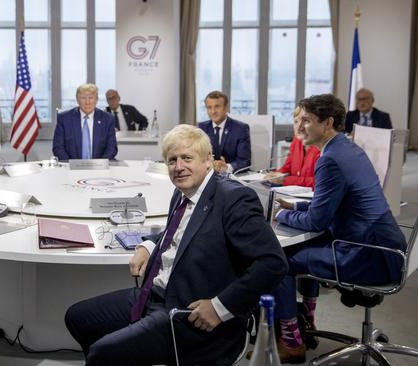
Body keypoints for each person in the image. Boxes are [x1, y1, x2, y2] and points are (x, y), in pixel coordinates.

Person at [64, 124, 288, 366]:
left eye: (187, 158)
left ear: (208, 160)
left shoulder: (233, 198)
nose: (179, 167)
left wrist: (220, 307)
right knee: (77, 318)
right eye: (172, 160)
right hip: (154, 295)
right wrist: (148, 245)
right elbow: (181, 231)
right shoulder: (184, 192)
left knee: (102, 354)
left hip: (187, 312)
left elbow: (273, 263)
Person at [273, 94, 407, 364]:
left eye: (307, 121)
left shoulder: (330, 159)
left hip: (368, 254)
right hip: (389, 247)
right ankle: (306, 319)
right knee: (303, 247)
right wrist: (296, 207)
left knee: (279, 260)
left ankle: (291, 341)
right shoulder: (347, 148)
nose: (299, 127)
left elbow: (316, 222)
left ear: (328, 123)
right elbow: (330, 205)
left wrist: (281, 213)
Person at [52, 83, 118, 161]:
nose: (87, 102)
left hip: (99, 169)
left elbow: (112, 148)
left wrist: (100, 164)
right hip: (71, 168)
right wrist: (70, 165)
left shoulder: (107, 119)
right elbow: (58, 147)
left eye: (91, 98)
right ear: (77, 100)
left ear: (96, 99)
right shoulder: (64, 118)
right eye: (83, 98)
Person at [264, 107, 320, 189]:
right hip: (292, 193)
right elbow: (287, 167)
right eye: (296, 121)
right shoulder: (297, 140)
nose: (299, 126)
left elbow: (318, 182)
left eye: (305, 121)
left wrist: (285, 180)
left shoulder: (321, 146)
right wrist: (273, 176)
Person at [198, 91, 251, 174]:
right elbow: (198, 156)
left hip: (232, 177)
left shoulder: (241, 129)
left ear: (226, 108)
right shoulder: (202, 128)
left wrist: (227, 167)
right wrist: (210, 164)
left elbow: (244, 161)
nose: (213, 111)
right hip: (207, 175)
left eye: (217, 107)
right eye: (209, 107)